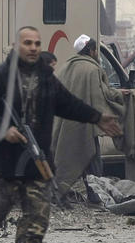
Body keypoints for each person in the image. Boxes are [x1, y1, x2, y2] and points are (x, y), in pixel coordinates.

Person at [0, 26, 122, 243]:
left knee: (36, 223)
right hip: (2, 166)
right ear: (18, 46)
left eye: (37, 43)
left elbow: (68, 104)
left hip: (35, 166)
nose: (33, 48)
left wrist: (97, 117)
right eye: (28, 43)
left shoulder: (46, 79)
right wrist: (2, 128)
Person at [52, 35, 127, 200]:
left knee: (65, 157)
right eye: (96, 51)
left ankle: (58, 192)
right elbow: (102, 94)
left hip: (66, 122)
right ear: (92, 51)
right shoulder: (93, 69)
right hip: (87, 124)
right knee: (92, 158)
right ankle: (96, 196)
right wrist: (119, 96)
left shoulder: (66, 67)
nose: (97, 54)